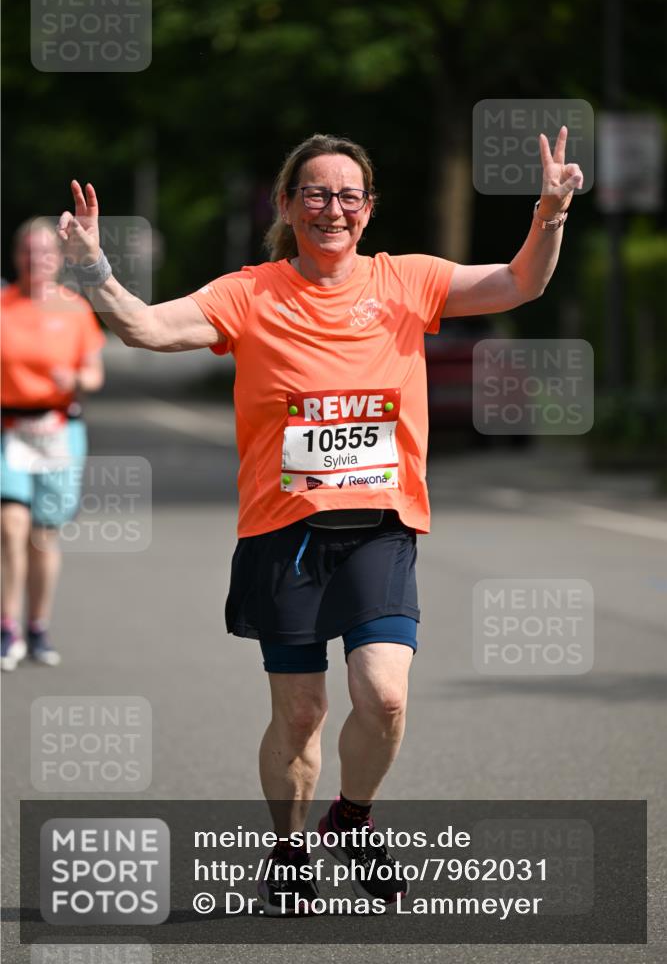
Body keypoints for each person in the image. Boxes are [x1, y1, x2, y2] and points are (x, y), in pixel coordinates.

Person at [55, 130, 582, 914]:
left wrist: (550, 212)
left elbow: (516, 285)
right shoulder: (250, 292)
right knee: (299, 712)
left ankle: (352, 817)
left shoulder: (407, 281)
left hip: (378, 524)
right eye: (315, 193)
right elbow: (147, 329)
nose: (331, 208)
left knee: (385, 696)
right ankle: (289, 848)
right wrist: (96, 269)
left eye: (347, 196)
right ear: (286, 204)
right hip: (284, 533)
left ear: (367, 211)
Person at [1, 219, 105, 671]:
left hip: (58, 429)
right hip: (8, 429)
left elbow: (94, 374)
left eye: (44, 251)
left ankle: (38, 625)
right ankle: (8, 627)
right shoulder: (3, 306)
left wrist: (76, 378)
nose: (35, 259)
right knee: (10, 525)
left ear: (58, 259)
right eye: (27, 251)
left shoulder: (75, 310)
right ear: (16, 256)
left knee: (43, 534)